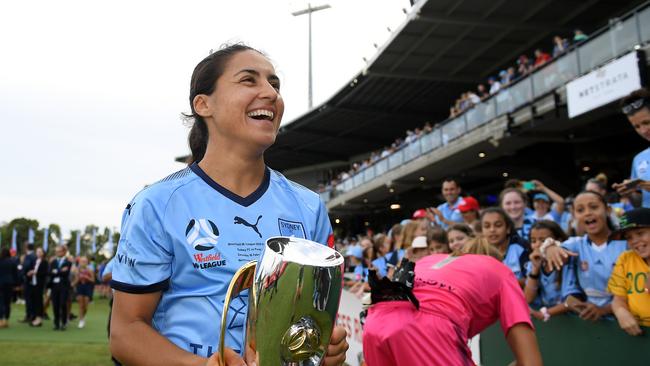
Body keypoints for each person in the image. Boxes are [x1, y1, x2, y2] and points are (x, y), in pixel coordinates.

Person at [109, 44, 347, 366]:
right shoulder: (158, 204)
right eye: (249, 80)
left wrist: (325, 351)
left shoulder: (308, 206)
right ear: (204, 104)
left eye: (274, 84)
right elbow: (125, 332)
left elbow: (310, 326)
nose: (270, 93)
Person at [362, 237, 542, 366]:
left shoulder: (430, 259)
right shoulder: (502, 272)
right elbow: (531, 362)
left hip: (376, 320)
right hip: (429, 327)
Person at [544, 191, 628, 322]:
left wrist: (603, 310)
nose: (588, 213)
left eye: (594, 207)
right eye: (580, 210)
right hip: (589, 322)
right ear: (574, 216)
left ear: (607, 210)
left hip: (626, 321)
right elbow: (558, 253)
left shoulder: (626, 244)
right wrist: (550, 248)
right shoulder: (575, 244)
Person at [607, 208, 650, 335]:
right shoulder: (626, 258)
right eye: (629, 237)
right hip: (639, 332)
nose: (635, 241)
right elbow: (618, 298)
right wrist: (620, 311)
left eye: (640, 233)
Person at [524, 220, 570, 322]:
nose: (537, 245)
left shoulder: (568, 262)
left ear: (558, 241)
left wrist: (545, 313)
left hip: (568, 318)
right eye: (533, 241)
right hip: (549, 318)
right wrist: (535, 269)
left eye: (543, 240)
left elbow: (572, 301)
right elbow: (528, 298)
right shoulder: (533, 263)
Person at [614, 88, 650, 208]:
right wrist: (629, 193)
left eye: (646, 122)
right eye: (636, 126)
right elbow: (640, 203)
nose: (643, 130)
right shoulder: (638, 159)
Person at [481, 207, 530, 286]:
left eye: (498, 225)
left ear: (508, 228)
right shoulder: (478, 251)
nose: (492, 230)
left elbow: (530, 280)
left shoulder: (521, 247)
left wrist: (501, 284)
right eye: (487, 226)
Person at [49, 245, 72, 330]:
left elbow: (65, 273)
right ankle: (56, 323)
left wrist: (56, 271)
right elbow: (50, 273)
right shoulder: (53, 262)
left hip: (63, 286)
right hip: (54, 286)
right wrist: (60, 271)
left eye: (59, 251)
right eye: (56, 251)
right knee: (55, 304)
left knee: (63, 304)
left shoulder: (68, 262)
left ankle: (64, 322)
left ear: (64, 252)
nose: (57, 253)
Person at [27, 247, 48, 327]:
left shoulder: (44, 262)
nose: (38, 253)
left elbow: (44, 273)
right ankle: (35, 317)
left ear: (43, 253)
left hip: (39, 284)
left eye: (40, 251)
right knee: (34, 300)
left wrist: (35, 272)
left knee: (39, 301)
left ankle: (39, 318)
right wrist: (30, 273)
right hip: (33, 283)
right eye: (37, 251)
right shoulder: (36, 261)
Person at [74, 255, 95, 328]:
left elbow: (93, 280)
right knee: (81, 305)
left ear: (87, 262)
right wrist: (77, 279)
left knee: (85, 305)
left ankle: (83, 316)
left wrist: (87, 277)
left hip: (87, 287)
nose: (83, 263)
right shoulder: (77, 270)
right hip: (80, 286)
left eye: (85, 261)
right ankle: (81, 320)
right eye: (82, 261)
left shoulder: (90, 270)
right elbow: (75, 281)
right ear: (79, 262)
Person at [0, 248, 19, 328]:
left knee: (0, 302)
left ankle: (0, 320)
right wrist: (17, 284)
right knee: (7, 302)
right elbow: (16, 274)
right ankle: (6, 320)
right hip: (9, 283)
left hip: (0, 283)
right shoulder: (13, 262)